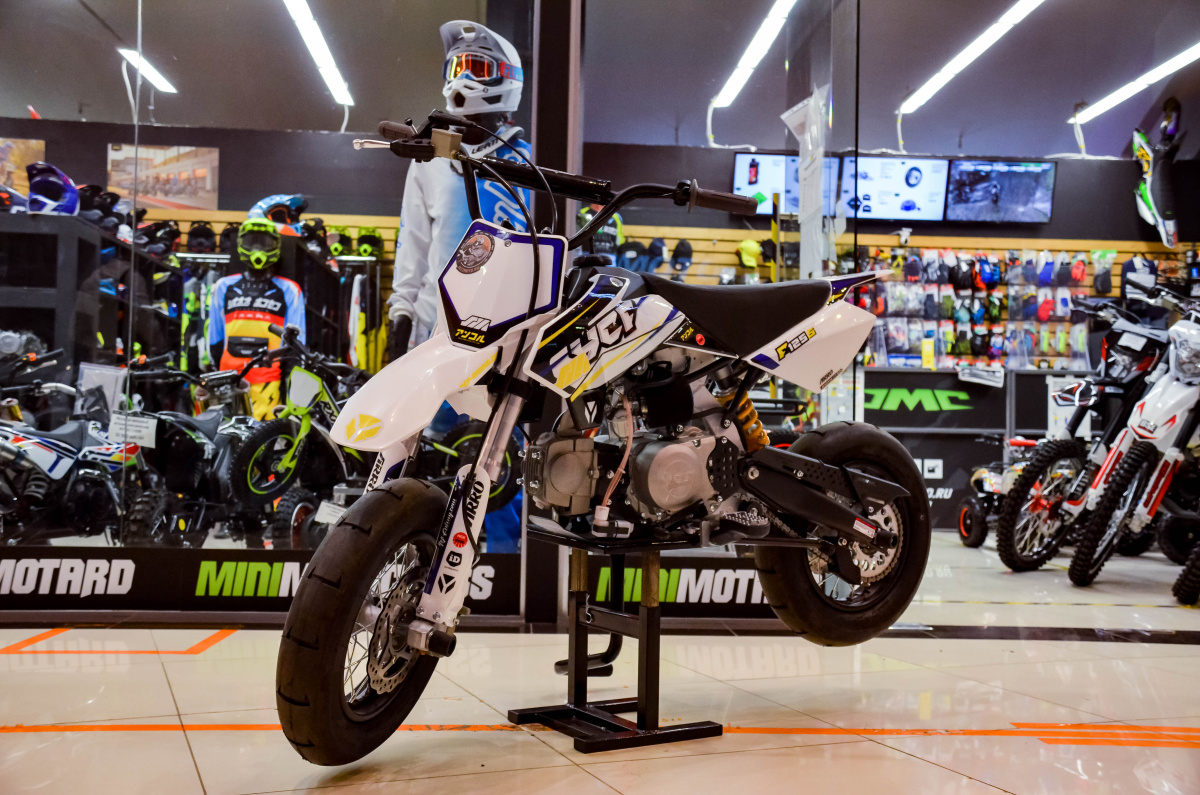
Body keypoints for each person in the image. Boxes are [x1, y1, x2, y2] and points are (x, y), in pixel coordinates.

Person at [387, 19, 531, 361]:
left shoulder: (527, 161)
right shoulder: (430, 159)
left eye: (477, 68)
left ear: (506, 77)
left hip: (507, 320)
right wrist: (401, 311)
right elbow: (413, 241)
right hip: (435, 319)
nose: (463, 78)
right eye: (457, 68)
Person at [207, 218, 306, 420]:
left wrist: (292, 391)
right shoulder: (222, 286)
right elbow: (214, 341)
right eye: (251, 242)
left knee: (266, 438)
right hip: (229, 383)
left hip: (268, 384)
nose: (257, 249)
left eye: (264, 243)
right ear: (241, 244)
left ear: (275, 245)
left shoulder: (290, 290)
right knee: (226, 434)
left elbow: (297, 346)